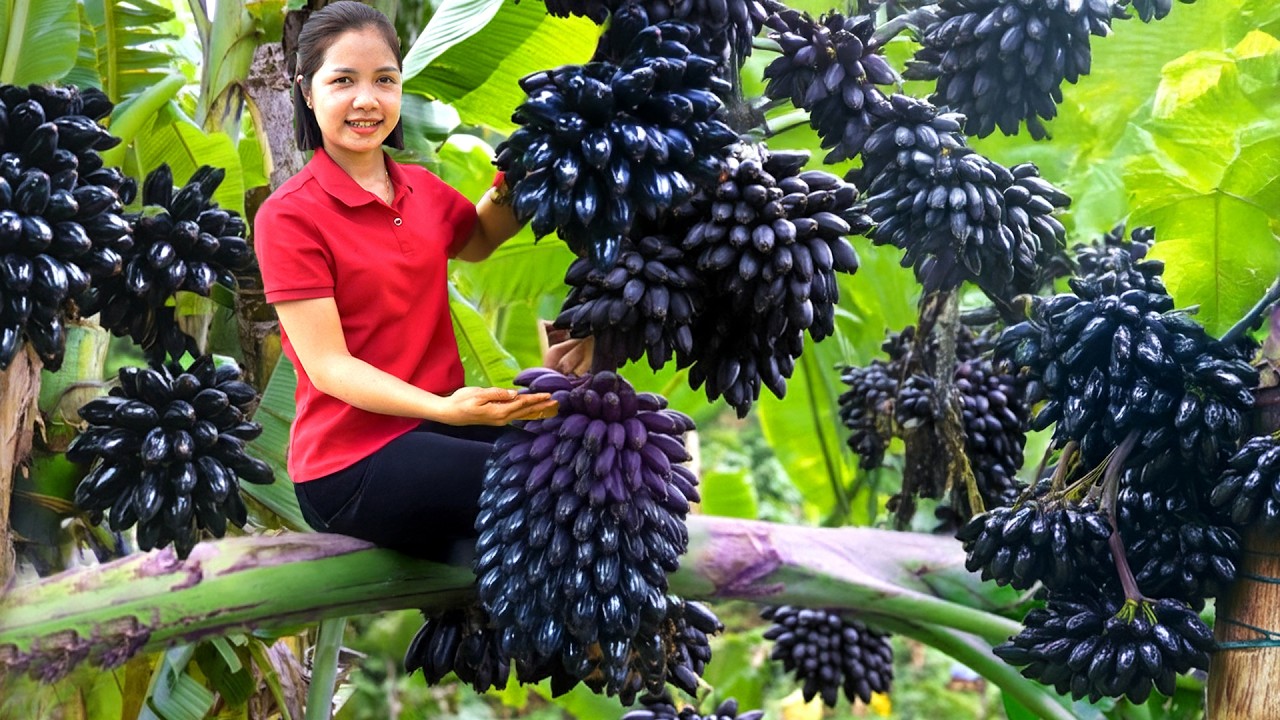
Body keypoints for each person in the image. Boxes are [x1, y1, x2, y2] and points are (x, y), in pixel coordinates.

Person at [253, 1, 585, 561]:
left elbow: (479, 238)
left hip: (436, 433)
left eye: (385, 80)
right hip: (350, 464)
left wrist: (530, 159)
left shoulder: (421, 191)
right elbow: (329, 366)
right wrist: (446, 409)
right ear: (308, 92)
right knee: (551, 484)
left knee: (588, 449)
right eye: (343, 81)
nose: (367, 99)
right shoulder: (289, 216)